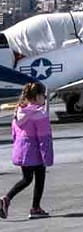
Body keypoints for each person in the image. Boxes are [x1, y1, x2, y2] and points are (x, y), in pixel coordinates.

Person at [0, 81, 54, 219]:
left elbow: (14, 133)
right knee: (40, 177)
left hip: (22, 149)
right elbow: (44, 138)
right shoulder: (39, 114)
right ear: (37, 96)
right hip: (35, 151)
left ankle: (6, 198)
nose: (45, 99)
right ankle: (35, 208)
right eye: (44, 96)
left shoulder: (19, 111)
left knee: (27, 178)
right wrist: (47, 156)